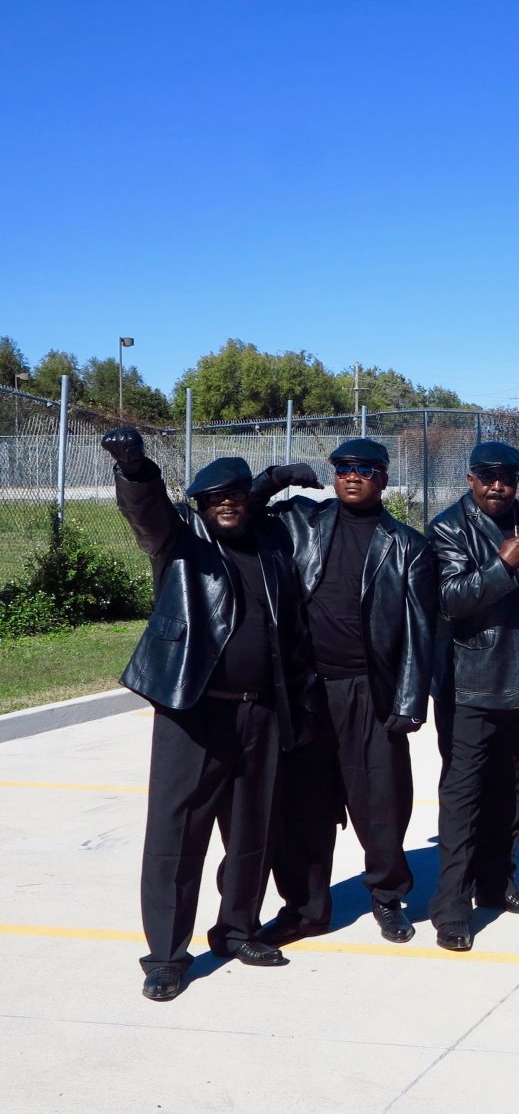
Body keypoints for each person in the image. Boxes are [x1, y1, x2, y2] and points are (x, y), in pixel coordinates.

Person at [101, 428, 321, 1001]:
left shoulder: (269, 541)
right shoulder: (181, 541)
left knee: (253, 832)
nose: (227, 504)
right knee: (176, 837)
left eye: (236, 495)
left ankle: (237, 930)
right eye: (214, 497)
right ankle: (168, 956)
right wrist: (135, 468)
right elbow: (146, 513)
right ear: (199, 505)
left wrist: (272, 481)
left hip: (262, 714)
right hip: (194, 714)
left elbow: (262, 499)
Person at [248, 438, 436, 947]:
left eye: (366, 468)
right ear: (333, 475)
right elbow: (237, 511)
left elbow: (421, 631)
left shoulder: (407, 545)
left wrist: (408, 702)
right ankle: (305, 909)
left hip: (370, 694)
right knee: (303, 807)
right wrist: (274, 479)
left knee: (382, 803)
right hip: (309, 691)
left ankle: (388, 897)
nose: (353, 475)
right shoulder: (300, 522)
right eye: (343, 467)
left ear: (384, 478)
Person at [427, 441, 519, 951]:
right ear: (470, 479)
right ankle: (450, 908)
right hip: (472, 683)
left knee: (514, 790)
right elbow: (449, 600)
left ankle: (497, 883)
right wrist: (501, 568)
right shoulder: (447, 527)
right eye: (487, 477)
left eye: (506, 477)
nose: (497, 486)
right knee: (463, 798)